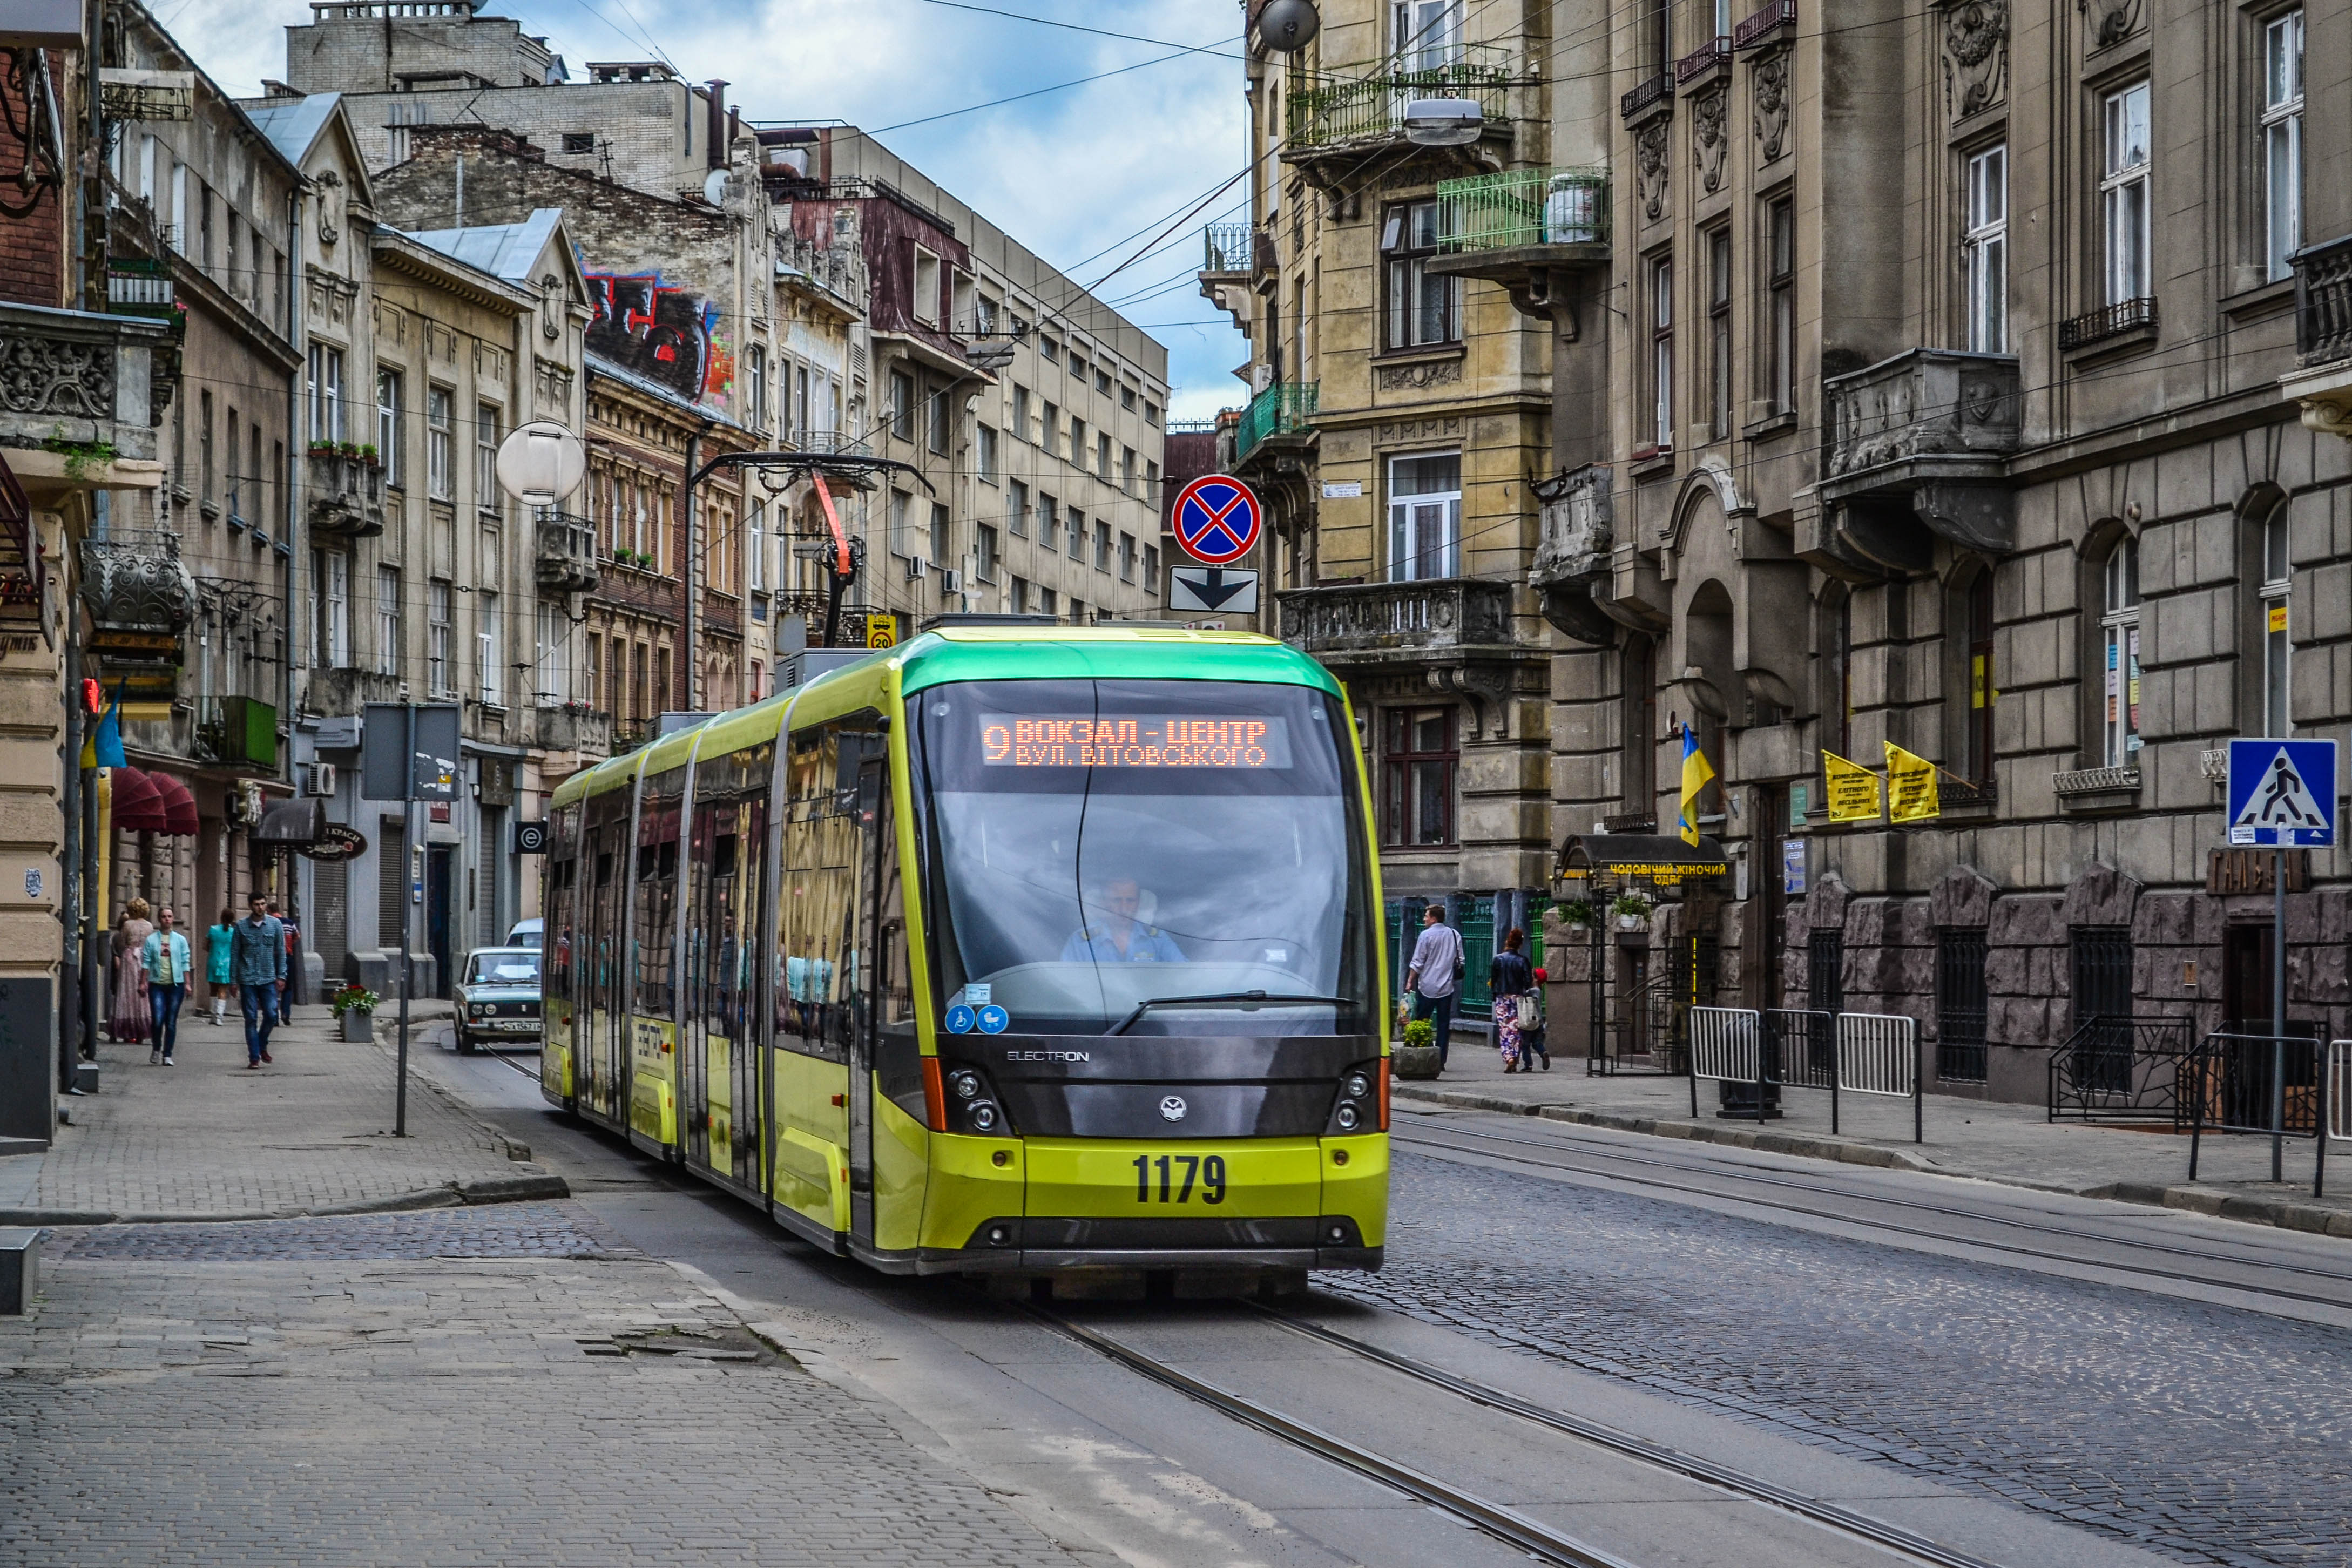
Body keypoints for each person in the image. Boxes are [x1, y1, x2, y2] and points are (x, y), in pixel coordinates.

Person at [1060, 877, 1186, 963]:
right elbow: (1063, 986)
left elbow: (1186, 975)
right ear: (1105, 903)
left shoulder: (1158, 940)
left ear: (1138, 903)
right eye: (1117, 900)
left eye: (1130, 901)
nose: (1124, 908)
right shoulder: (1080, 942)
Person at [229, 894, 288, 1068]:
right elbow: (235, 955)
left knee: (271, 1015)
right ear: (250, 906)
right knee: (251, 1019)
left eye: (263, 904)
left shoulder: (275, 925)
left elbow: (281, 952)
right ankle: (254, 1057)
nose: (260, 908)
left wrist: (282, 976)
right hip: (247, 979)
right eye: (257, 905)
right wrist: (233, 981)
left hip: (268, 978)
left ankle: (261, 1044)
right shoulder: (241, 927)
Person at [1403, 902, 1463, 1070]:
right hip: (1447, 987)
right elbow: (1461, 960)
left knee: (1423, 1022)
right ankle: (1441, 1060)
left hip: (1427, 986)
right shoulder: (1454, 935)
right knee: (1444, 1025)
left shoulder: (1426, 936)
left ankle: (1424, 1054)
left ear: (1434, 919)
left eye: (1426, 916)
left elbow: (1418, 962)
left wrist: (1410, 981)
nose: (1424, 919)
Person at [141, 906, 193, 1065]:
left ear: (173, 919)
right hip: (157, 985)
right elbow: (146, 962)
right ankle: (156, 1048)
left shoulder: (180, 940)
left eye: (170, 916)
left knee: (171, 1021)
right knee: (157, 1019)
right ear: (159, 919)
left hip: (175, 985)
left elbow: (185, 962)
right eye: (164, 916)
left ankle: (167, 1054)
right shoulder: (151, 940)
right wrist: (143, 982)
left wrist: (188, 984)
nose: (167, 919)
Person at [1489, 927, 1540, 1073]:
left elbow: (1494, 980)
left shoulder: (1498, 959)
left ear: (1507, 942)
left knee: (1504, 1029)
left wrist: (1495, 994)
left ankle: (1509, 1057)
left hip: (1502, 998)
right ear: (1520, 944)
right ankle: (1515, 1058)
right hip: (1518, 998)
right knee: (1517, 1029)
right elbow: (1527, 981)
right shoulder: (1523, 960)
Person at [110, 900, 154, 1045]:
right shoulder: (149, 926)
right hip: (144, 958)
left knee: (126, 993)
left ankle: (126, 1030)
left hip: (129, 958)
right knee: (143, 994)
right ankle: (142, 1030)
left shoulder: (128, 925)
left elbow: (122, 942)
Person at [204, 909, 236, 1026]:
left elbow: (205, 946)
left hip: (213, 961)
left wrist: (213, 950)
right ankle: (219, 1017)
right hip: (227, 963)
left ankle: (213, 1015)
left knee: (213, 989)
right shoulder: (234, 932)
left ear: (221, 918)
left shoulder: (213, 930)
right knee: (223, 990)